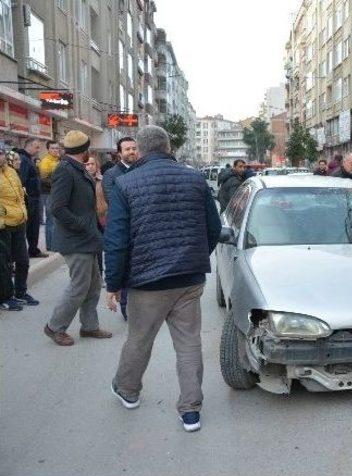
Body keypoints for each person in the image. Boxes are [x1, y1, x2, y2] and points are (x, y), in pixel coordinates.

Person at [105, 125, 221, 433]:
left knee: (139, 339)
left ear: (140, 150)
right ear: (169, 147)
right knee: (188, 344)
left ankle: (128, 391)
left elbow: (116, 239)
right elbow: (213, 227)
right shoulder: (195, 179)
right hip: (188, 278)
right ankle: (191, 410)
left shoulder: (126, 183)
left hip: (146, 281)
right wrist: (195, 257)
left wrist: (113, 284)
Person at [44, 131, 111, 346]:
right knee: (79, 285)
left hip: (86, 237)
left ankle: (89, 326)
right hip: (75, 239)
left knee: (93, 284)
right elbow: (57, 208)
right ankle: (55, 327)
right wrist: (82, 225)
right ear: (85, 150)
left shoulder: (76, 168)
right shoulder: (65, 170)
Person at [102, 137, 139, 320]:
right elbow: (111, 200)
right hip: (122, 226)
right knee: (122, 265)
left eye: (134, 148)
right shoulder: (111, 175)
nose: (131, 152)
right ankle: (126, 309)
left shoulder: (142, 169)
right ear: (119, 153)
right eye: (127, 149)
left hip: (140, 227)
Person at [0, 148, 35, 310]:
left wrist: (24, 212)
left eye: (1, 154)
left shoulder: (11, 172)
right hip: (3, 225)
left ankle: (21, 292)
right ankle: (5, 297)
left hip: (19, 222)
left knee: (23, 260)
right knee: (5, 264)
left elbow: (20, 194)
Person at [15, 138, 46, 258]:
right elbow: (21, 181)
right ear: (29, 146)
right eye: (36, 147)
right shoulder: (23, 160)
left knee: (34, 226)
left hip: (33, 198)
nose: (38, 150)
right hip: (29, 199)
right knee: (29, 226)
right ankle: (25, 252)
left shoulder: (29, 159)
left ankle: (33, 250)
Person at [38, 140, 61, 250]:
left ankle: (55, 244)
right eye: (53, 148)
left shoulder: (58, 160)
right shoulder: (45, 162)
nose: (55, 150)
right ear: (48, 150)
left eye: (57, 148)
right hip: (49, 194)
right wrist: (58, 183)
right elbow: (43, 179)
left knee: (56, 219)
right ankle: (51, 246)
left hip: (57, 193)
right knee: (51, 219)